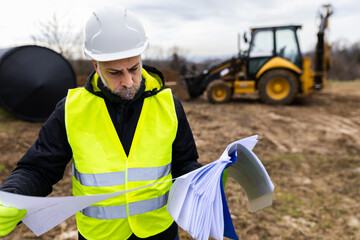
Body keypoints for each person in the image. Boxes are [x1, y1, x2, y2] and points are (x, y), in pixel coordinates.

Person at [0, 5, 201, 240]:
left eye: (134, 68)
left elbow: (185, 163)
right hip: (100, 235)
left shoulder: (168, 105)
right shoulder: (71, 109)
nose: (128, 81)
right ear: (96, 66)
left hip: (159, 232)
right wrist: (10, 198)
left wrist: (203, 182)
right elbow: (38, 169)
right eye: (115, 72)